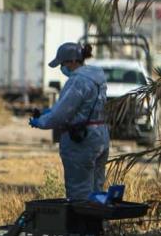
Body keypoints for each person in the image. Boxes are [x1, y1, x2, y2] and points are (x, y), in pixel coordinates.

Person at [29, 43, 109, 201]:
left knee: (79, 192)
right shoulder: (97, 77)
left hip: (81, 142)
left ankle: (81, 225)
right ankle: (98, 224)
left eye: (62, 64)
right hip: (100, 136)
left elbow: (60, 115)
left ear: (72, 61)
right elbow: (80, 108)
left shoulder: (78, 80)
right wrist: (49, 111)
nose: (61, 68)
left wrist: (40, 121)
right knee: (97, 190)